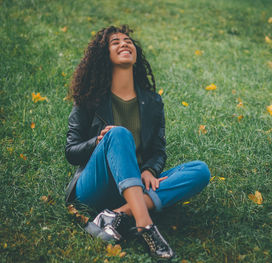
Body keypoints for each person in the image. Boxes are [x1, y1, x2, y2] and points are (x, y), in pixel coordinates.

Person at [64, 25, 211, 260]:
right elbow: (71, 152)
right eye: (115, 42)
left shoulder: (153, 102)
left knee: (199, 171)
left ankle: (116, 215)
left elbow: (158, 150)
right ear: (105, 56)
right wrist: (98, 141)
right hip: (95, 186)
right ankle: (145, 225)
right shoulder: (89, 98)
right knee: (119, 134)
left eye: (128, 40)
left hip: (135, 187)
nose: (124, 43)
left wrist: (150, 169)